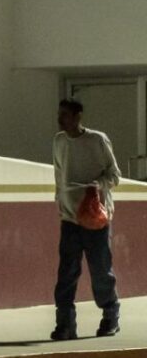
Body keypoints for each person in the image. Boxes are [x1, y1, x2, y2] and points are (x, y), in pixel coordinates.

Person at [51, 99, 121, 340]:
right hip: (70, 218)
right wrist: (60, 201)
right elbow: (59, 174)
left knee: (101, 270)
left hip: (96, 218)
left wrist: (97, 185)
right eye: (60, 114)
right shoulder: (59, 141)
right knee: (66, 273)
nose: (61, 120)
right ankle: (65, 324)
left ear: (78, 116)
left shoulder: (97, 140)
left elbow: (114, 175)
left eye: (66, 115)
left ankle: (110, 316)